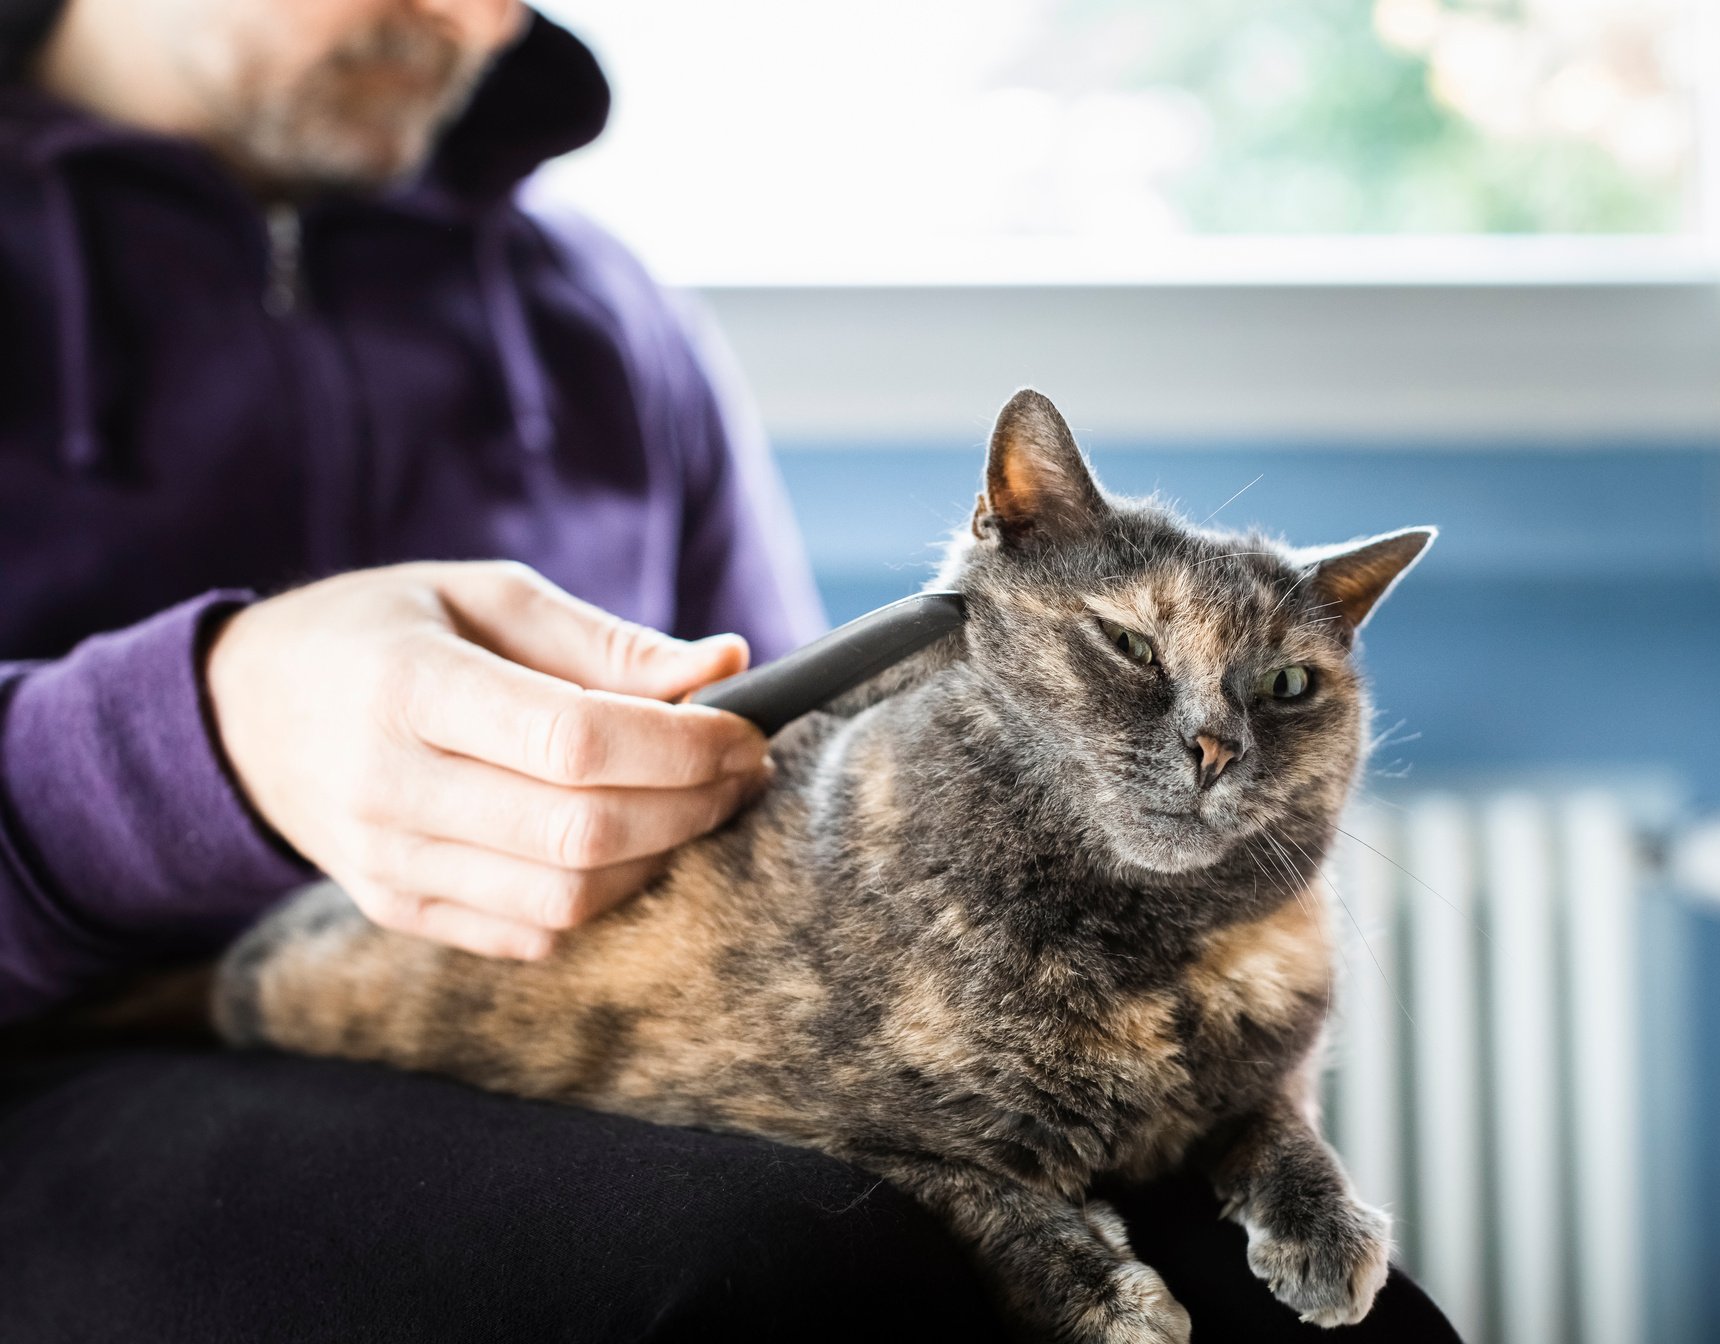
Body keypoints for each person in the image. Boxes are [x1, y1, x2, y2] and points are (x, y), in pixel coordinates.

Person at [0, 1, 1461, 1339]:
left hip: (588, 1027)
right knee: (779, 1277)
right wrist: (200, 737)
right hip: (53, 1057)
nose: (478, 22)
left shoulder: (610, 315)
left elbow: (803, 789)